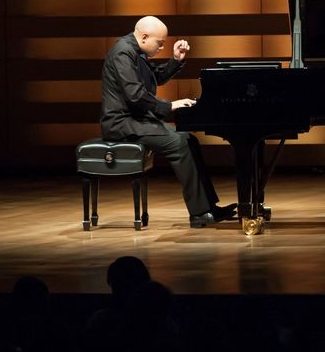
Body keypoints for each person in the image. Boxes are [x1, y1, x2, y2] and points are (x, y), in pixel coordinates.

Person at [100, 16, 235, 227]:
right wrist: (169, 106)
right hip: (121, 123)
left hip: (137, 120)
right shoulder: (122, 53)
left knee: (188, 140)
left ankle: (209, 207)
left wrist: (176, 60)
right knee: (178, 143)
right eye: (160, 43)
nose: (162, 47)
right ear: (144, 37)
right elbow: (134, 94)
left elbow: (156, 78)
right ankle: (199, 214)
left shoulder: (137, 50)